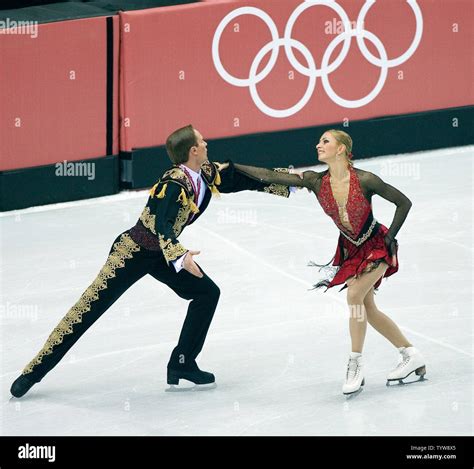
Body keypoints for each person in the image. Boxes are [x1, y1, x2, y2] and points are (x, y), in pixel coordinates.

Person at [10, 124, 293, 398]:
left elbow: (237, 177)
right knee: (87, 310)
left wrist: (288, 184)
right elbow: (162, 226)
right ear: (194, 150)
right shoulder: (172, 185)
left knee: (206, 293)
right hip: (132, 253)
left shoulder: (203, 173)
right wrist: (180, 255)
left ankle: (182, 362)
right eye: (203, 141)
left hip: (161, 255)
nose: (207, 144)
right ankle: (31, 373)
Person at [231, 129, 426, 395]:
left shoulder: (366, 180)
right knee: (367, 308)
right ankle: (410, 354)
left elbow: (404, 202)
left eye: (325, 141)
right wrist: (232, 167)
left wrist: (391, 237)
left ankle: (355, 362)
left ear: (341, 149)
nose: (318, 145)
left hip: (376, 245)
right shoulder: (315, 181)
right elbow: (273, 176)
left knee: (355, 295)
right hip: (351, 250)